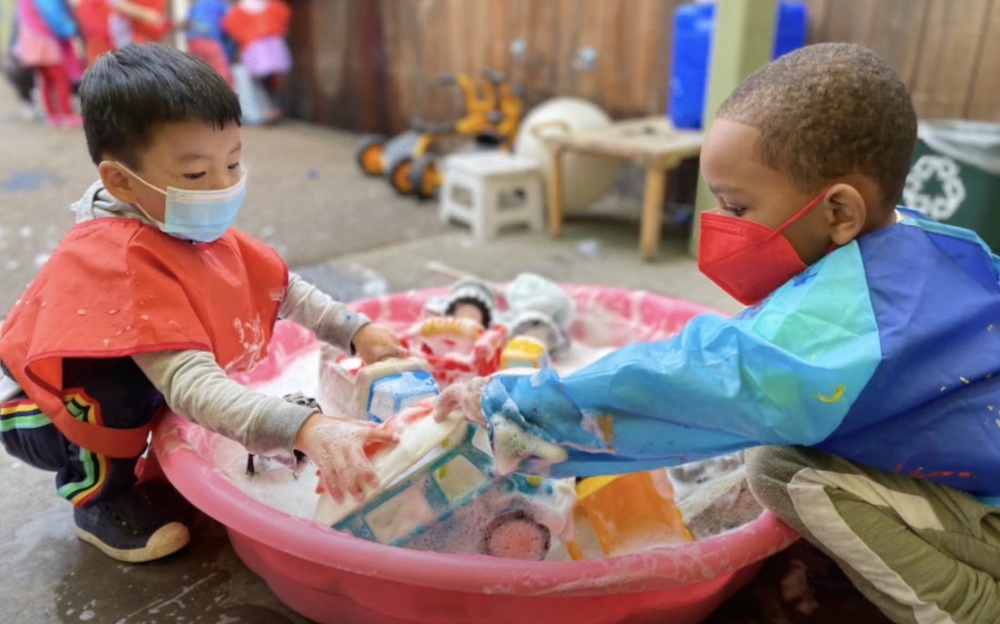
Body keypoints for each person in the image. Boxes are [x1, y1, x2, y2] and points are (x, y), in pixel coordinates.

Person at [436, 43, 1000, 623]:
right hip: (973, 462)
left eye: (736, 207)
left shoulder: (845, 326)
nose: (720, 228)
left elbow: (698, 379)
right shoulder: (932, 243)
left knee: (782, 468)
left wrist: (519, 408)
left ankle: (970, 607)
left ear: (837, 213)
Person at [0, 43, 407, 564]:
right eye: (196, 176)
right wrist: (303, 428)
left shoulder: (177, 216)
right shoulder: (119, 258)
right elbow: (191, 384)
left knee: (160, 384)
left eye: (234, 163)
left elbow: (283, 289)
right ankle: (100, 499)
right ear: (121, 181)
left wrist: (355, 331)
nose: (222, 187)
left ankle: (141, 462)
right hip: (43, 411)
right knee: (122, 388)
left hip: (119, 381)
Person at [222, 0, 290, 123]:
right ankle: (271, 109)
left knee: (257, 82)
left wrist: (243, 38)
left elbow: (229, 25)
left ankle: (267, 110)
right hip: (271, 45)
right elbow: (284, 15)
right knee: (269, 81)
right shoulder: (274, 6)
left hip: (254, 48)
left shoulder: (239, 10)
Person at [13, 0, 79, 126]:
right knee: (60, 78)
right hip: (44, 40)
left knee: (46, 80)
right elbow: (52, 15)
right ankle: (66, 114)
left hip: (31, 38)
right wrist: (70, 29)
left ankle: (51, 115)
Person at [184, 0, 232, 85]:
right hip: (209, 40)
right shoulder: (221, 5)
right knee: (222, 78)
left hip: (193, 41)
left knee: (198, 74)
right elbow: (229, 26)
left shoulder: (198, 4)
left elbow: (187, 22)